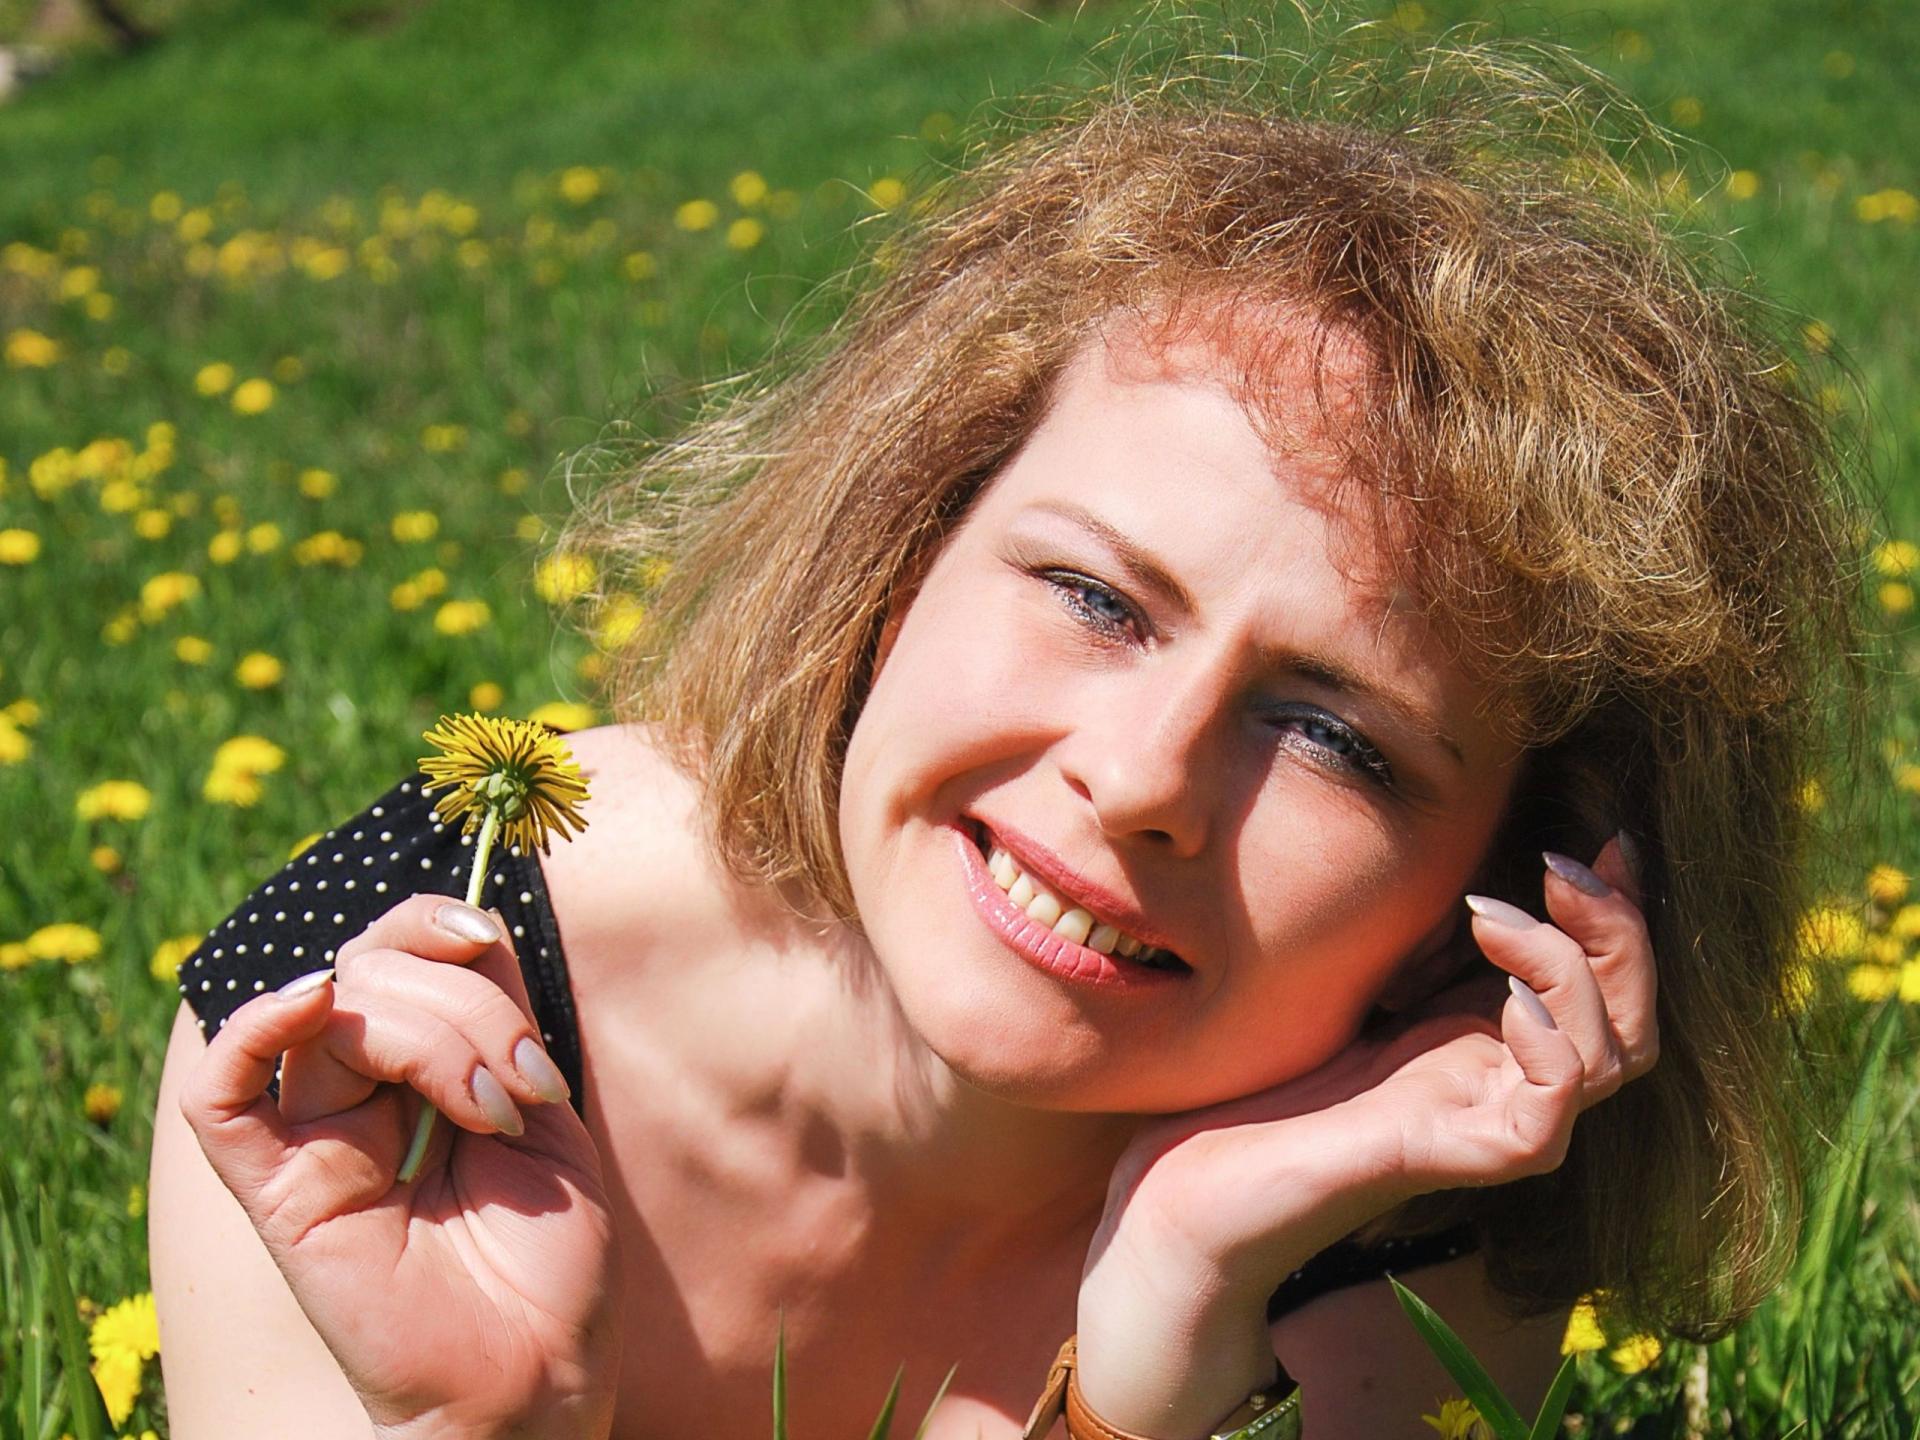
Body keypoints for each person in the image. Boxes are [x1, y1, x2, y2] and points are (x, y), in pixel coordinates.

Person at [146, 23, 1870, 1440]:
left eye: (1337, 740)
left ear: (1501, 891)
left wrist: (1164, 1322)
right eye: (1096, 598)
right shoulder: (377, 1025)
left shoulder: (1410, 1227)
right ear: (902, 561)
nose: (1140, 781)